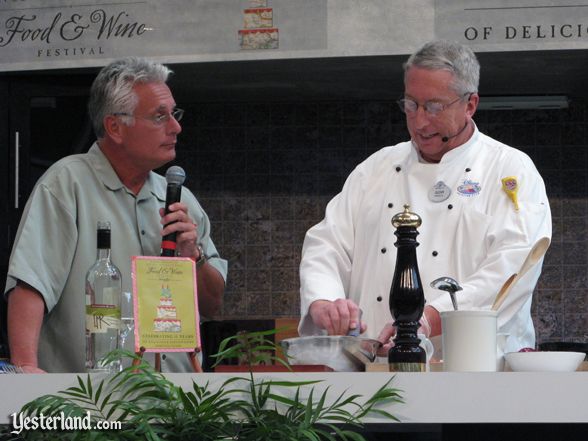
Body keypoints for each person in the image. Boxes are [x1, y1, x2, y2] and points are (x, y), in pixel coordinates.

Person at [298, 40, 551, 356]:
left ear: (470, 104)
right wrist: (324, 300)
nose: (419, 121)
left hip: (475, 366)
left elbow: (513, 266)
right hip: (376, 369)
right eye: (410, 104)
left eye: (434, 107)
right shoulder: (376, 169)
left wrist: (429, 319)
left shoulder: (509, 170)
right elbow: (327, 243)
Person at [4, 57, 227, 373]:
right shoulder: (67, 184)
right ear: (115, 127)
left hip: (175, 407)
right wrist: (25, 369)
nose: (176, 127)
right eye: (159, 116)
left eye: (174, 114)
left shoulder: (180, 198)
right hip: (90, 401)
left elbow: (212, 305)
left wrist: (194, 258)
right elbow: (31, 283)